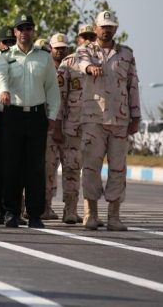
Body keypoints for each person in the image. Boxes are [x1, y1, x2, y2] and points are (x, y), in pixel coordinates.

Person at [0, 14, 60, 229]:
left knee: (35, 168)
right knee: (12, 166)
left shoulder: (44, 57)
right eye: (20, 28)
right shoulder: (5, 56)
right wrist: (3, 90)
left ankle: (34, 214)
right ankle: (11, 212)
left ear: (33, 31)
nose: (24, 32)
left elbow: (52, 89)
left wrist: (52, 116)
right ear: (14, 32)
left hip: (36, 117)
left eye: (28, 28)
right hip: (13, 115)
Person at [77, 11, 140, 231]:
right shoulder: (85, 50)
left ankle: (114, 216)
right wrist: (90, 67)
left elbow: (133, 85)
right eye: (103, 26)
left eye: (111, 26)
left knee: (118, 168)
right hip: (94, 119)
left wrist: (136, 115)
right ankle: (90, 213)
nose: (107, 29)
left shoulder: (126, 54)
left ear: (116, 29)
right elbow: (81, 63)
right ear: (95, 28)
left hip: (120, 120)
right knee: (91, 167)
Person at [53, 24, 97, 224]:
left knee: (91, 170)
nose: (87, 40)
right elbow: (59, 99)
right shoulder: (68, 63)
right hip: (73, 127)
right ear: (78, 39)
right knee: (71, 169)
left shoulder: (102, 61)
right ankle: (69, 209)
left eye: (91, 36)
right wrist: (57, 126)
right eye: (84, 36)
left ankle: (90, 212)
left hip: (96, 127)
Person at [41, 33, 69, 220]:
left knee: (66, 168)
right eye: (57, 47)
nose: (60, 50)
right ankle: (44, 206)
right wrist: (56, 127)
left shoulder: (71, 68)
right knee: (47, 169)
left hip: (70, 126)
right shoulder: (45, 68)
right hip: (49, 127)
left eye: (63, 47)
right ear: (51, 48)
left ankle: (65, 208)